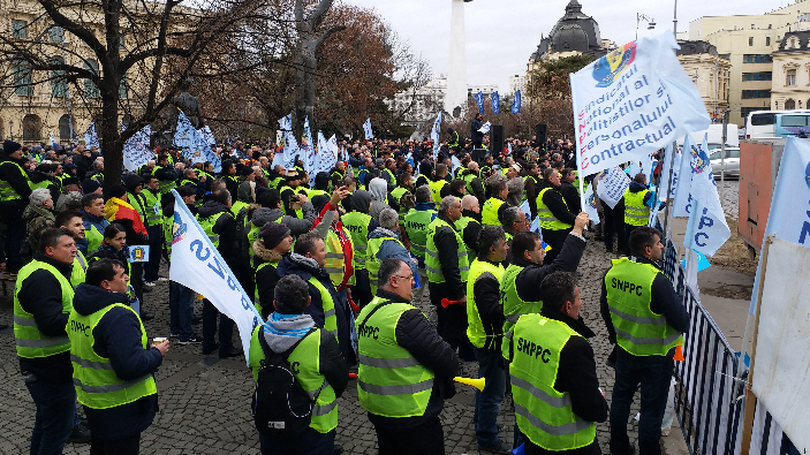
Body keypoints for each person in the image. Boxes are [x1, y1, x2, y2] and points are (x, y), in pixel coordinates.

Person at [601, 227, 689, 455]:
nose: (662, 246)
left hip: (625, 350)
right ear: (648, 250)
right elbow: (682, 322)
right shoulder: (656, 280)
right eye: (659, 243)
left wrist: (616, 335)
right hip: (656, 358)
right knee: (651, 411)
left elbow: (605, 308)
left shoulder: (613, 272)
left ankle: (618, 448)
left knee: (620, 400)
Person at [357, 258, 458, 455]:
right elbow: (447, 360)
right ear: (394, 281)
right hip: (412, 414)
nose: (414, 282)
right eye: (410, 278)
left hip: (379, 410)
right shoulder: (404, 317)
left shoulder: (366, 312)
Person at [67, 259, 168, 454]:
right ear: (106, 284)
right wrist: (156, 353)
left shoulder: (79, 310)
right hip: (120, 404)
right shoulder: (117, 315)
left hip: (93, 400)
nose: (128, 278)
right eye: (121, 276)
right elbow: (130, 366)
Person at [505, 272, 608, 455]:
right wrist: (600, 401)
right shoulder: (573, 345)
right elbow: (590, 407)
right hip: (568, 444)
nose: (581, 303)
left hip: (532, 433)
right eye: (578, 299)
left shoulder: (522, 327)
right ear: (568, 306)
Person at [248, 274, 349, 455]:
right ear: (308, 302)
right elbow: (340, 381)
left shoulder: (257, 335)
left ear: (275, 304)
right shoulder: (321, 339)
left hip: (270, 424)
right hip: (314, 429)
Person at [14, 228, 78, 454]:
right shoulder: (43, 277)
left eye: (74, 244)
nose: (74, 249)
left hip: (45, 363)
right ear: (49, 250)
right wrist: (84, 317)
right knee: (58, 430)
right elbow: (50, 324)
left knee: (46, 424)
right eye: (68, 246)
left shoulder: (43, 270)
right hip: (49, 366)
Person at [501, 215, 588, 335]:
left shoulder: (514, 269)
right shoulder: (524, 278)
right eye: (539, 248)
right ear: (528, 255)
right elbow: (559, 270)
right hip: (526, 338)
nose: (543, 251)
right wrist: (577, 230)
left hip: (524, 337)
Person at [276, 232, 355, 365]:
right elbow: (314, 323)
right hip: (324, 354)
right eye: (322, 250)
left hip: (331, 348)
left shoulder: (315, 273)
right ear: (309, 256)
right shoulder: (305, 283)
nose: (326, 253)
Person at [466, 226, 510, 454]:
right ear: (492, 249)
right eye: (504, 245)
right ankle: (486, 436)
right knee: (492, 393)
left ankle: (483, 424)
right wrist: (513, 307)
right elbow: (491, 310)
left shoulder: (486, 265)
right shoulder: (486, 276)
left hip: (485, 340)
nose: (508, 248)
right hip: (491, 343)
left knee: (486, 388)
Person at [196, 188, 241, 358]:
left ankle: (207, 343)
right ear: (227, 201)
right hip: (223, 268)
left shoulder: (200, 215)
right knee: (227, 308)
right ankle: (225, 345)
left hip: (205, 266)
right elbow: (229, 247)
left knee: (208, 307)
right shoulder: (226, 218)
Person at [426, 196, 471, 356]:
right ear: (450, 211)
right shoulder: (446, 232)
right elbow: (450, 266)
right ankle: (446, 365)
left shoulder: (437, 225)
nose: (462, 210)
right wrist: (460, 293)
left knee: (445, 326)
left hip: (438, 285)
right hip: (448, 290)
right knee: (452, 330)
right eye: (459, 207)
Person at [367, 208, 417, 295]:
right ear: (397, 223)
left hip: (375, 287)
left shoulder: (373, 239)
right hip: (392, 291)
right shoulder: (393, 246)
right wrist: (414, 264)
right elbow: (404, 272)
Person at [0, 140, 33, 273]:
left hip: (9, 205)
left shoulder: (9, 164)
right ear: (10, 152)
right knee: (16, 236)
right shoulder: (9, 166)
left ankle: (11, 261)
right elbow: (21, 186)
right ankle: (14, 263)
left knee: (11, 236)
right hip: (14, 206)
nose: (21, 152)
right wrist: (32, 197)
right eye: (18, 150)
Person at [253, 222, 293, 319]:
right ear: (275, 242)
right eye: (286, 236)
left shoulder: (285, 260)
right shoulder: (267, 271)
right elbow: (269, 307)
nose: (291, 239)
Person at [536, 168, 577, 263]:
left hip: (550, 231)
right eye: (557, 176)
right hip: (556, 232)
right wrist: (577, 220)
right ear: (551, 179)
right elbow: (562, 214)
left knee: (553, 256)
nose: (560, 178)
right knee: (559, 257)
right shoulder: (549, 193)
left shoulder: (547, 191)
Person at [622, 173, 657, 256]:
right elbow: (655, 206)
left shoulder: (627, 191)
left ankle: (628, 258)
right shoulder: (646, 194)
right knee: (638, 247)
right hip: (640, 224)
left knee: (629, 244)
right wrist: (664, 202)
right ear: (644, 182)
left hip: (628, 222)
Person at [55, 211, 89, 288]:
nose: (83, 228)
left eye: (82, 224)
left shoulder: (78, 252)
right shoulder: (59, 255)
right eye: (77, 225)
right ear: (63, 229)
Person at [24, 188, 56, 256]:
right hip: (45, 256)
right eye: (51, 199)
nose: (52, 201)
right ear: (45, 203)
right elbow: (51, 241)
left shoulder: (33, 215)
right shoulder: (45, 221)